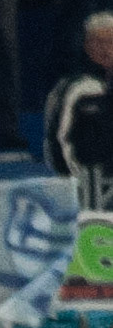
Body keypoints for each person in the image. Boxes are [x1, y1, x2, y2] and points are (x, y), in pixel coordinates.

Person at [44, 13, 113, 209]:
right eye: (100, 42)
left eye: (111, 42)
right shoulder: (78, 87)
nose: (107, 49)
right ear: (87, 45)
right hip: (88, 186)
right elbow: (62, 140)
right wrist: (85, 183)